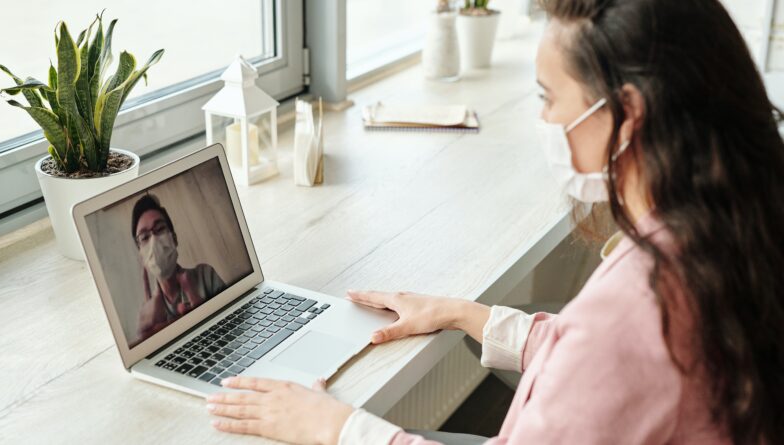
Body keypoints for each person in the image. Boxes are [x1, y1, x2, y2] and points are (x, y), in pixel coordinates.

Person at [203, 0, 784, 444]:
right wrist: (467, 314)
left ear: (626, 114)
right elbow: (608, 369)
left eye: (548, 97)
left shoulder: (639, 305)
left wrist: (337, 428)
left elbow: (610, 350)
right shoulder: (730, 225)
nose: (544, 119)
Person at [132, 194, 226, 344]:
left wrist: (206, 317)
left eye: (160, 229)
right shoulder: (148, 317)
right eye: (144, 237)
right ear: (141, 255)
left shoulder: (205, 276)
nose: (154, 241)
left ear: (174, 239)